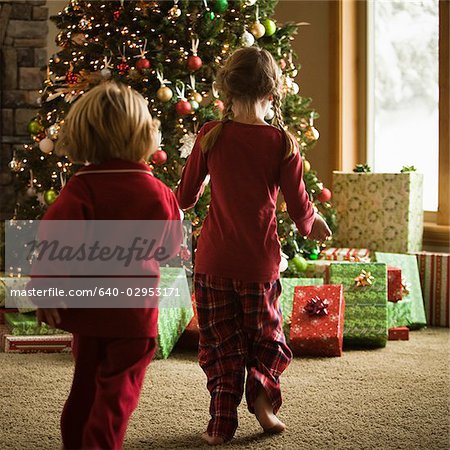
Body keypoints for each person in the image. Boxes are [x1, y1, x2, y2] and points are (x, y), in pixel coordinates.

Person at [176, 47, 332, 445]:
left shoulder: (210, 135)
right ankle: (263, 403)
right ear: (273, 93)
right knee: (267, 338)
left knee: (221, 342)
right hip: (258, 267)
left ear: (226, 91)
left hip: (212, 264)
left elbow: (184, 197)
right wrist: (314, 224)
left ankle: (221, 421)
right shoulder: (282, 144)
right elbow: (300, 208)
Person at [34, 82, 182, 450]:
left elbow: (54, 241)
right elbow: (167, 249)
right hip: (133, 316)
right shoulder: (158, 192)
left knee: (85, 385)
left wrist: (46, 289)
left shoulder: (80, 189)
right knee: (116, 395)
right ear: (144, 136)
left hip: (89, 310)